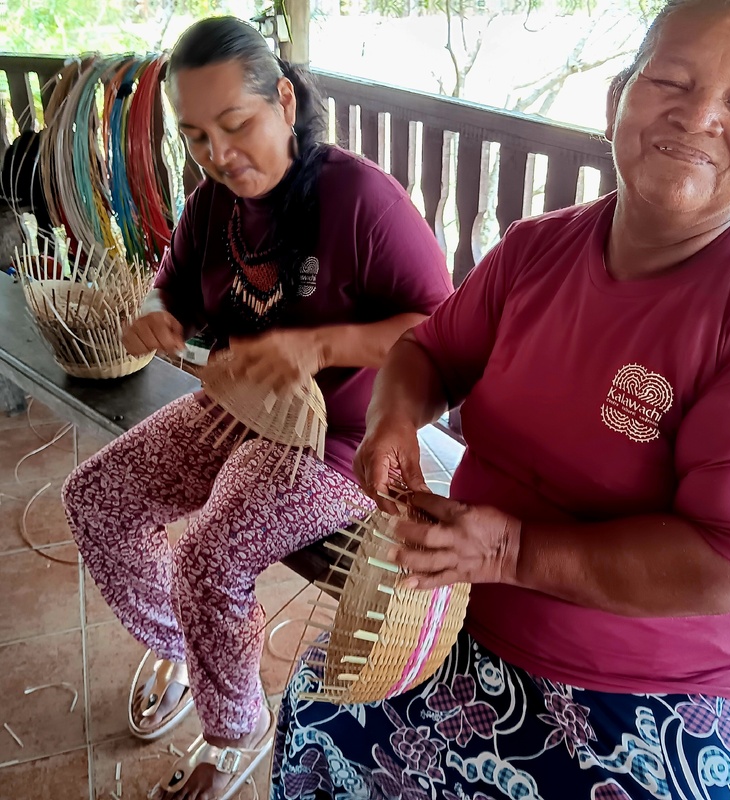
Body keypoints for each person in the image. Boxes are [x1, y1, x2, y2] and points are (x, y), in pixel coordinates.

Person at [270, 1, 730, 798]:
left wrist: (511, 553)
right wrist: (391, 427)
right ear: (618, 94)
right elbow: (427, 351)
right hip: (463, 618)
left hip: (660, 692)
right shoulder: (535, 249)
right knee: (316, 707)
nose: (698, 116)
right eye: (671, 81)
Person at [61, 15, 452, 800]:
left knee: (210, 554)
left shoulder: (357, 196)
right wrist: (158, 315)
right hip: (238, 405)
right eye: (197, 136)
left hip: (343, 435)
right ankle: (194, 650)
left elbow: (442, 329)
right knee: (97, 499)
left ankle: (233, 732)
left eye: (236, 125)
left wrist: (318, 346)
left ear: (281, 98)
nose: (219, 155)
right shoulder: (213, 202)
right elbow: (171, 286)